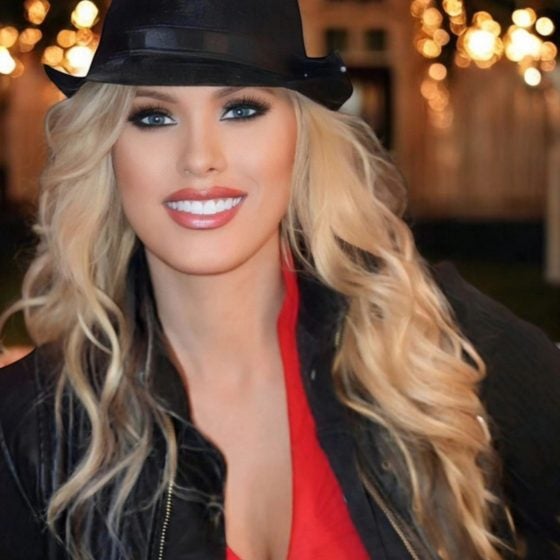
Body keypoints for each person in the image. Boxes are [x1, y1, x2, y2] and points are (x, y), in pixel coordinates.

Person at [0, 1, 559, 559]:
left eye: (241, 109)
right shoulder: (30, 426)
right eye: (153, 117)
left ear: (300, 137)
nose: (200, 158)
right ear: (107, 150)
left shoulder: (435, 339)